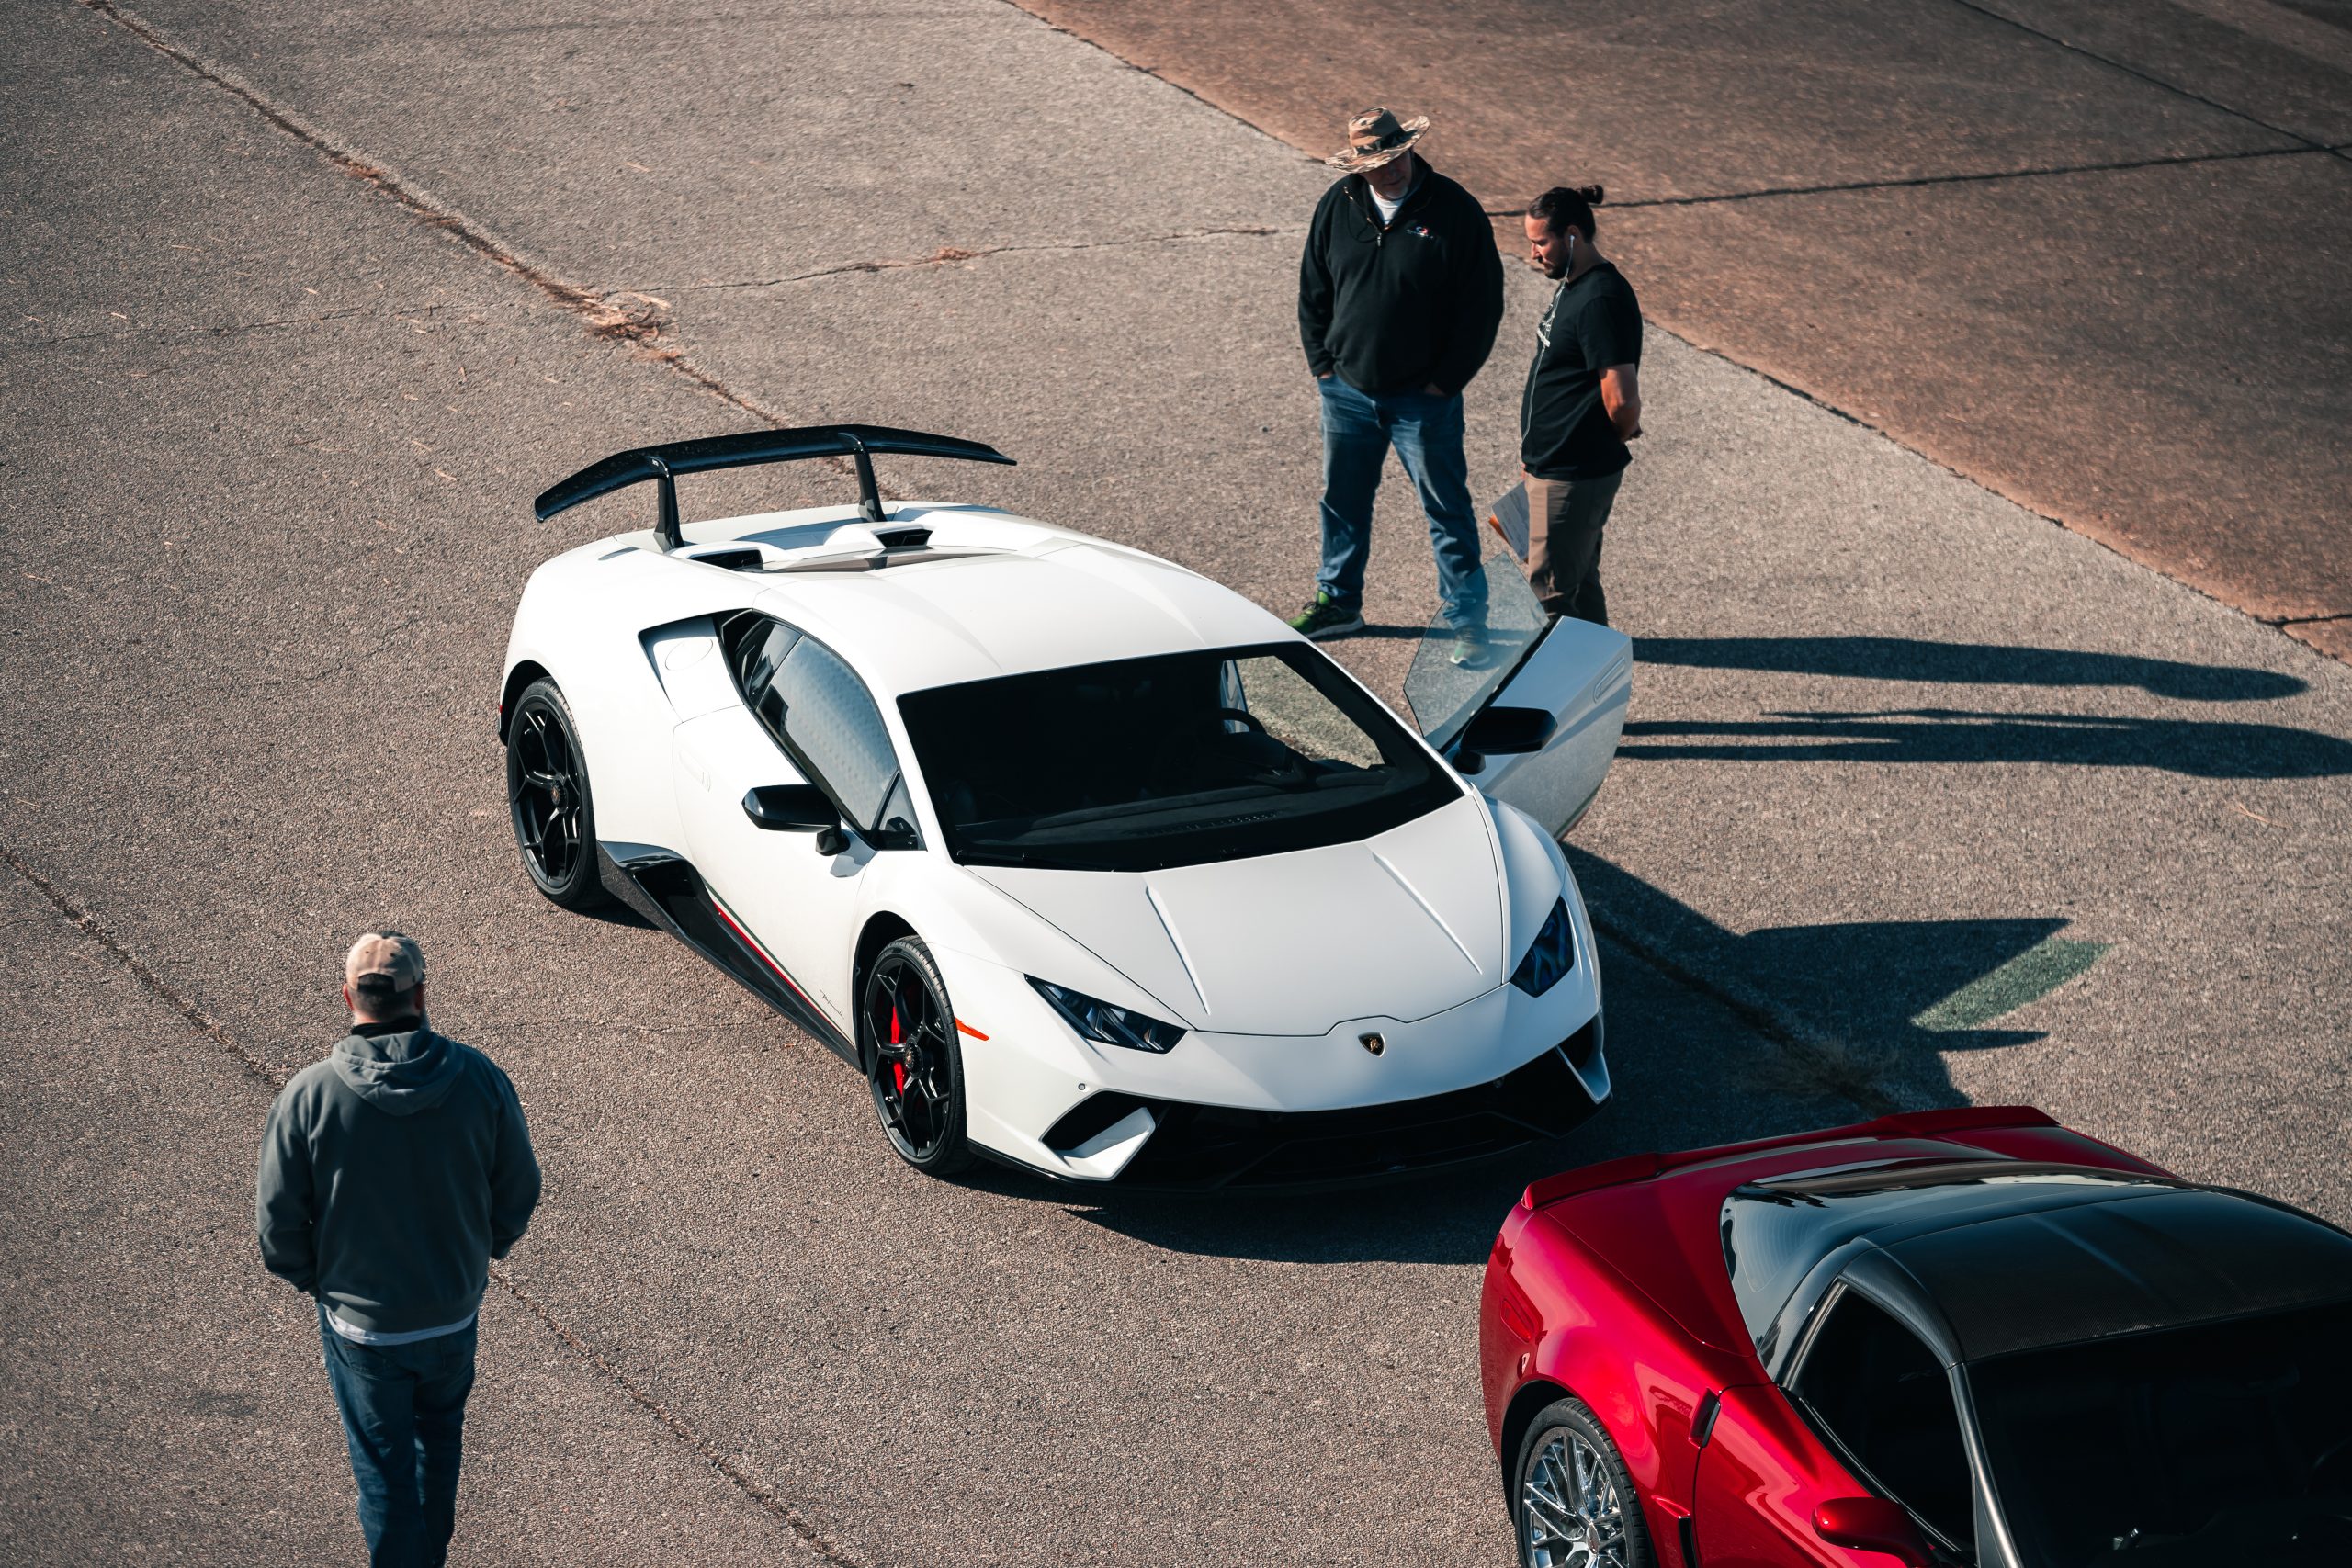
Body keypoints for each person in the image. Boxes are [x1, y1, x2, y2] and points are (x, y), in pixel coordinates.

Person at [256, 931, 541, 1567]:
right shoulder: (480, 1078)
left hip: (363, 1327)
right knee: (437, 1448)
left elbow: (277, 1227)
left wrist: (323, 1281)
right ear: (420, 994)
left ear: (348, 996)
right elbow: (519, 1188)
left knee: (383, 1473)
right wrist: (480, 1252)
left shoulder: (308, 1095)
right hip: (451, 1313)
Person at [1294, 107, 1507, 665]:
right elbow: (1314, 286)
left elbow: (1483, 306)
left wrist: (1445, 382)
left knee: (1446, 511)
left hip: (1423, 401)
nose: (1392, 170)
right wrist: (1322, 363)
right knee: (1342, 502)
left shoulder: (1454, 209)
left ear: (1411, 149)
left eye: (1398, 156)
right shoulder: (1337, 204)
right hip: (1346, 391)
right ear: (1359, 166)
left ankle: (1468, 623)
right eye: (1378, 162)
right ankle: (1339, 603)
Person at [1519, 184, 1644, 625]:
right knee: (1580, 579)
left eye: (1540, 242)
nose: (1533, 253)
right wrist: (1534, 458)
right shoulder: (1574, 284)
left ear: (1572, 235)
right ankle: (1599, 657)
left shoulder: (1600, 299)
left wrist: (1605, 439)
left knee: (1548, 598)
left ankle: (1554, 670)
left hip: (1574, 472)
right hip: (1553, 464)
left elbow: (1622, 400)